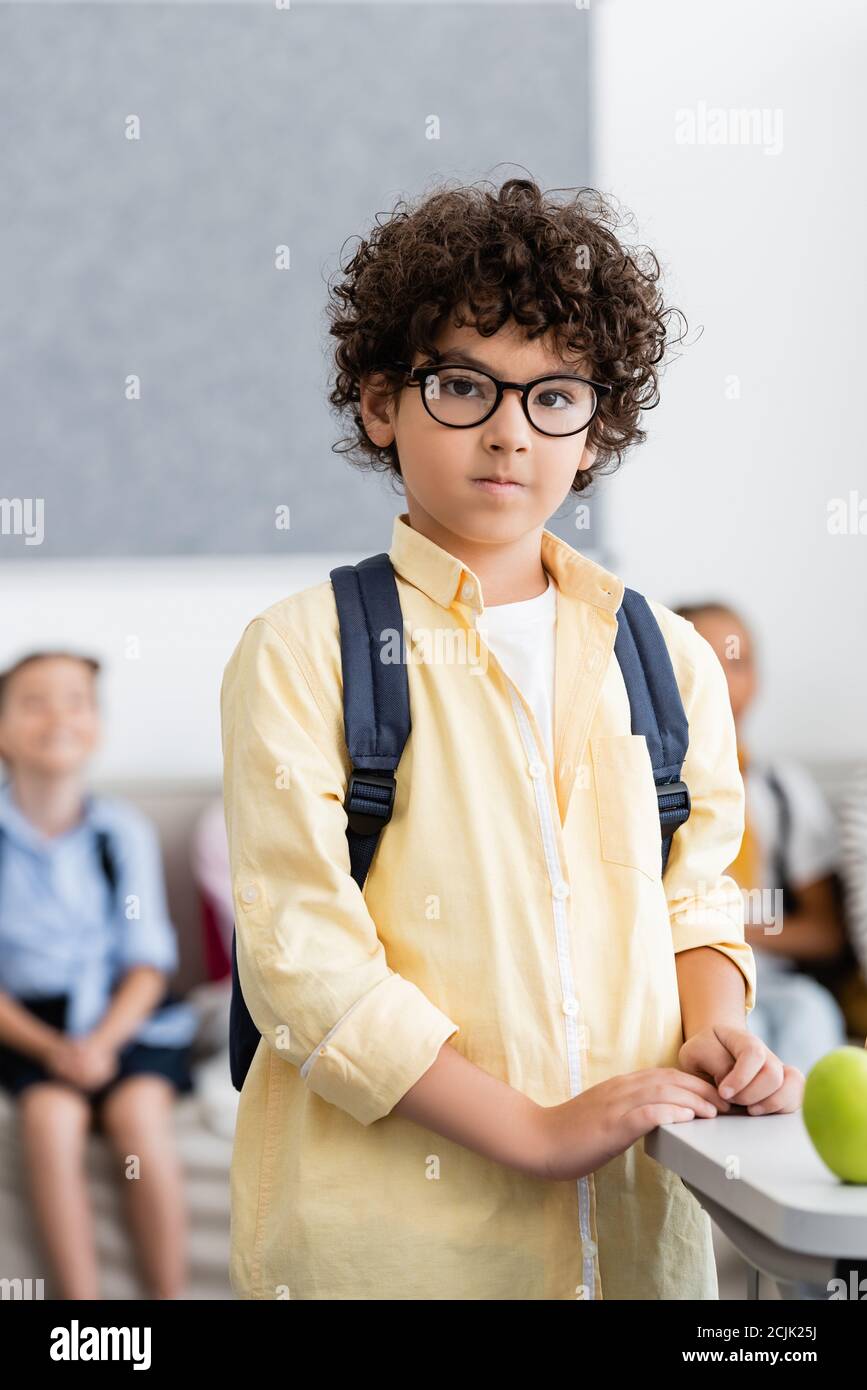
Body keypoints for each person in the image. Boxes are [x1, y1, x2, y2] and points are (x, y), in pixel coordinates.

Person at [220, 177, 802, 1302]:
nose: (506, 430)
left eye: (554, 398)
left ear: (596, 432)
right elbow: (305, 962)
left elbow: (701, 896)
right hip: (392, 1258)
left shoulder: (668, 655)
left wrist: (718, 1031)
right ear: (382, 403)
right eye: (462, 385)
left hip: (639, 1245)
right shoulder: (305, 650)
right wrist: (535, 1132)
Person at [0, 649, 198, 1300]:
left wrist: (102, 1044)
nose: (57, 715)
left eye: (75, 701)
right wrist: (54, 1049)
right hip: (31, 1025)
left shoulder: (122, 832)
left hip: (125, 1018)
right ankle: (82, 1316)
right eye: (33, 702)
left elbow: (147, 964)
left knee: (141, 1116)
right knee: (49, 1120)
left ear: (97, 725)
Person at [674, 602, 849, 1077]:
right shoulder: (652, 790)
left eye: (737, 662)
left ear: (757, 680)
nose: (723, 681)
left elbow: (826, 932)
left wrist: (727, 925)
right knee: (741, 1044)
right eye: (704, 660)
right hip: (687, 987)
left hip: (778, 982)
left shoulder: (782, 792)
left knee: (810, 1016)